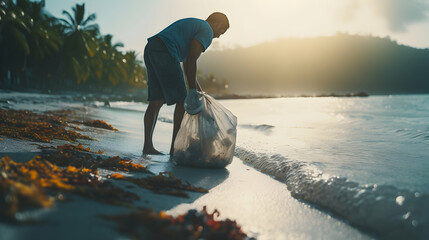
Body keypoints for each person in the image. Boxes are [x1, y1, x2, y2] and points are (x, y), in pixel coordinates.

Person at [143, 12, 229, 155]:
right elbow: (191, 60)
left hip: (152, 48)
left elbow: (187, 65)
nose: (219, 35)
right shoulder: (207, 29)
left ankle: (147, 146)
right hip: (165, 50)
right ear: (218, 24)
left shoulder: (196, 25)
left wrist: (197, 90)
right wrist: (192, 91)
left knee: (156, 101)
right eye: (222, 31)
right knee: (181, 100)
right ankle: (174, 149)